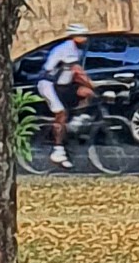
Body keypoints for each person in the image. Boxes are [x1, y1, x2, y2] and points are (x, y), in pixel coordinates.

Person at [35, 37, 95, 168]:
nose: (85, 39)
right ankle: (58, 150)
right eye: (82, 36)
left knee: (87, 93)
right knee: (61, 114)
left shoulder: (77, 49)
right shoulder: (67, 48)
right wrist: (93, 85)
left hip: (63, 85)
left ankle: (75, 121)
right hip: (48, 85)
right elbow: (78, 71)